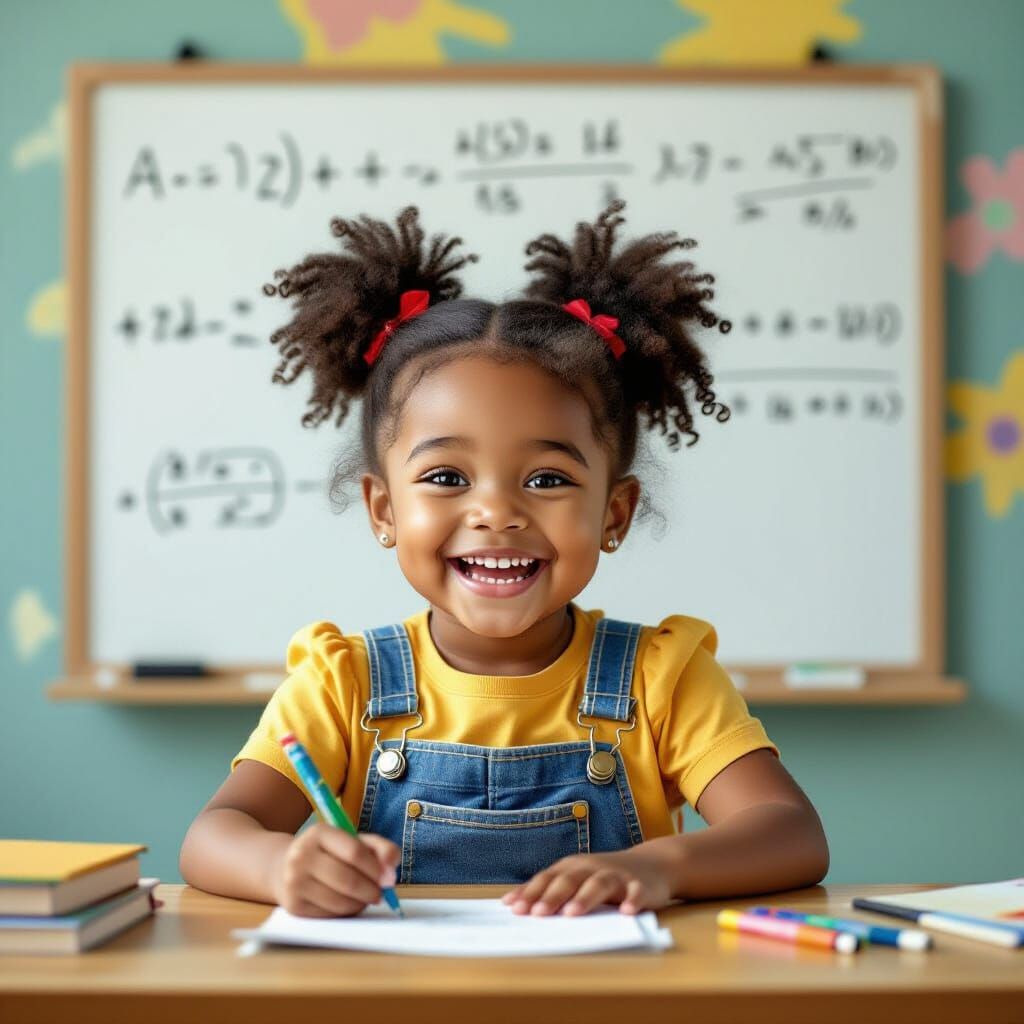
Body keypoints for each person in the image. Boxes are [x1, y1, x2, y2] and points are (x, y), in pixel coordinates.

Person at [180, 201, 829, 919]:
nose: (495, 513)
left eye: (548, 480)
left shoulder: (662, 680)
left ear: (614, 513)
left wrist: (658, 867)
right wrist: (282, 865)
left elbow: (791, 833)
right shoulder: (343, 685)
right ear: (384, 511)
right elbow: (212, 838)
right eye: (447, 478)